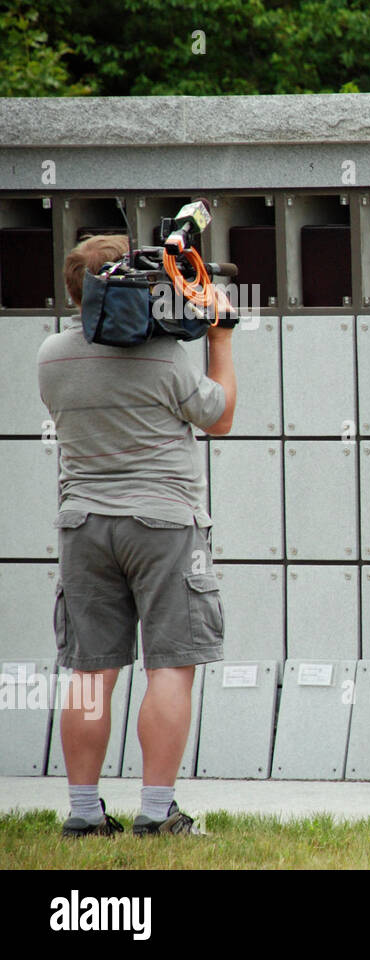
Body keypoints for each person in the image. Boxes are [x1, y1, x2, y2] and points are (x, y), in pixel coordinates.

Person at [39, 233, 236, 837]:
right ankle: (156, 811)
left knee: (91, 670)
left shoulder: (51, 355)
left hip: (83, 525)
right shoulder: (165, 359)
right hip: (163, 525)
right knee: (171, 665)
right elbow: (222, 418)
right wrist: (220, 338)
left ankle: (82, 811)